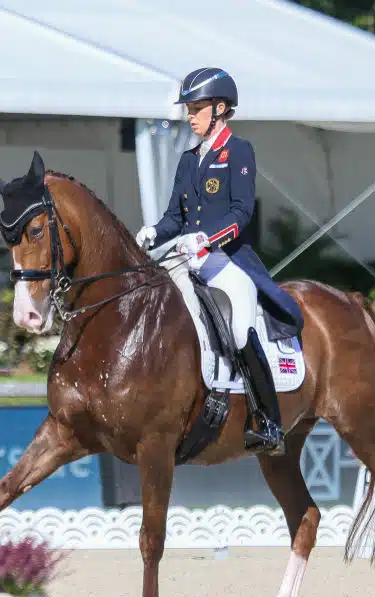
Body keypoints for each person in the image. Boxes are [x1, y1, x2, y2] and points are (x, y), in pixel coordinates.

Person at [136, 67, 285, 455]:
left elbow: (240, 213)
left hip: (226, 260)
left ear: (220, 108)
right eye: (189, 109)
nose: (190, 116)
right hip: (186, 258)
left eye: (197, 108)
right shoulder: (188, 160)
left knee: (239, 331)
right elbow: (175, 217)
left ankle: (269, 421)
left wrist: (205, 238)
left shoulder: (239, 152)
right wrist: (154, 231)